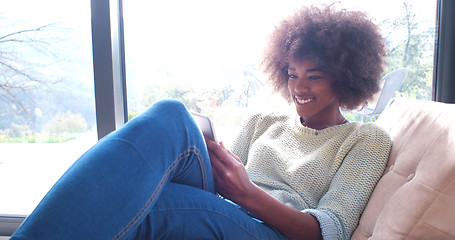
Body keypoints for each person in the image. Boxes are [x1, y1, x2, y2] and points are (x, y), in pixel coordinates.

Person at [11, 4, 391, 240]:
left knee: (147, 204)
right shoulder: (264, 120)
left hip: (272, 232)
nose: (299, 86)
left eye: (315, 75)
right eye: (292, 74)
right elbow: (216, 192)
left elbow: (331, 231)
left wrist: (247, 193)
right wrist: (221, 167)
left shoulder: (365, 140)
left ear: (346, 76)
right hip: (228, 209)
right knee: (170, 116)